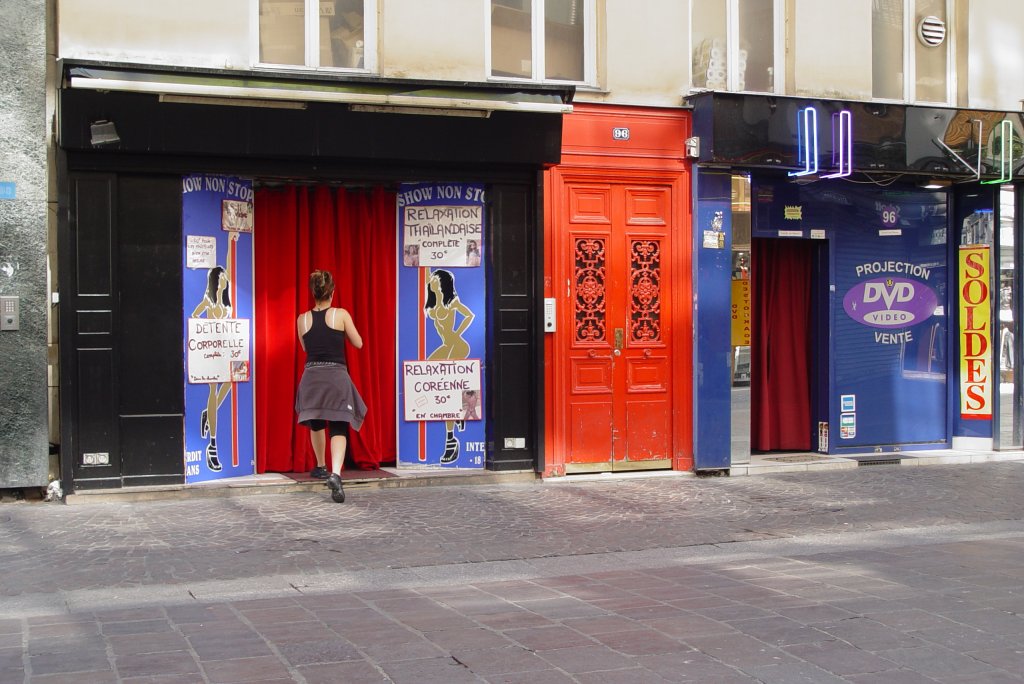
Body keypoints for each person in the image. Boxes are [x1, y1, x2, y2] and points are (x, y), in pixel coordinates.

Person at [295, 270, 367, 501]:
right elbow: (358, 343)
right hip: (336, 375)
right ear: (332, 292)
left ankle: (320, 465)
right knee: (338, 423)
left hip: (311, 376)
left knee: (316, 420)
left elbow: (306, 349)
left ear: (313, 293)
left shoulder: (302, 319)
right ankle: (335, 473)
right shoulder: (340, 314)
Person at [192, 231, 239, 472]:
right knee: (213, 390)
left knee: (231, 383)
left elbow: (230, 264)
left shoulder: (227, 298)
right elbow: (193, 317)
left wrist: (232, 240)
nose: (224, 278)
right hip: (210, 353)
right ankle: (212, 446)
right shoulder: (209, 301)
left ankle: (206, 414)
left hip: (226, 351)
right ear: (215, 280)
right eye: (220, 276)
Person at [424, 269, 474, 463]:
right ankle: (459, 411)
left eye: (435, 278)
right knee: (429, 369)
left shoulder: (451, 302)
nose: (432, 280)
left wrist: (457, 334)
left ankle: (450, 440)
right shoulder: (433, 304)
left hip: (458, 346)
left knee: (448, 390)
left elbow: (469, 315)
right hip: (447, 346)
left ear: (442, 282)